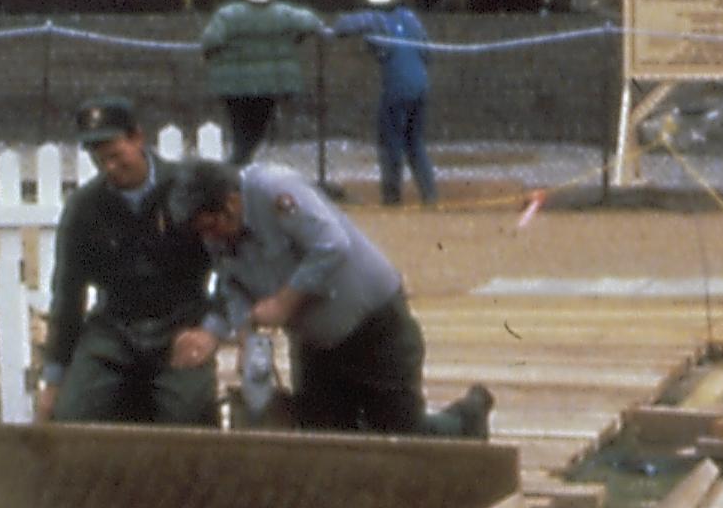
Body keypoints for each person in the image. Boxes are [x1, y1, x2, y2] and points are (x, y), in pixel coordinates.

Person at [156, 156, 492, 439]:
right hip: (315, 343)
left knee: (403, 435)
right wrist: (242, 333)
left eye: (211, 226)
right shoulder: (216, 236)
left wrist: (284, 302)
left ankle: (467, 418)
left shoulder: (274, 190)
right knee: (324, 439)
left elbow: (331, 245)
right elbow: (234, 287)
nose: (209, 237)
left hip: (374, 326)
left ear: (231, 203)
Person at [34, 96, 220, 428]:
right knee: (73, 415)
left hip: (181, 323)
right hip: (114, 330)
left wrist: (212, 329)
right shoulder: (84, 207)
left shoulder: (187, 190)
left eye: (116, 156)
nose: (109, 168)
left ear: (137, 138)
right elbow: (68, 292)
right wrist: (54, 379)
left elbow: (232, 265)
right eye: (98, 160)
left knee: (189, 417)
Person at [199, 0, 328, 166]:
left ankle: (235, 173)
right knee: (254, 133)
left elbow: (210, 41)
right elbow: (313, 23)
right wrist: (296, 39)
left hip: (233, 86)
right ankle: (235, 172)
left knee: (240, 131)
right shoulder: (285, 14)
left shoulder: (228, 15)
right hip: (269, 86)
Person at [331, 0, 438, 207]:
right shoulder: (410, 18)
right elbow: (428, 53)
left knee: (391, 145)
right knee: (415, 143)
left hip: (397, 89)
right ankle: (430, 195)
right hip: (420, 86)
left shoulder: (374, 19)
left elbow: (341, 26)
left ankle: (392, 198)